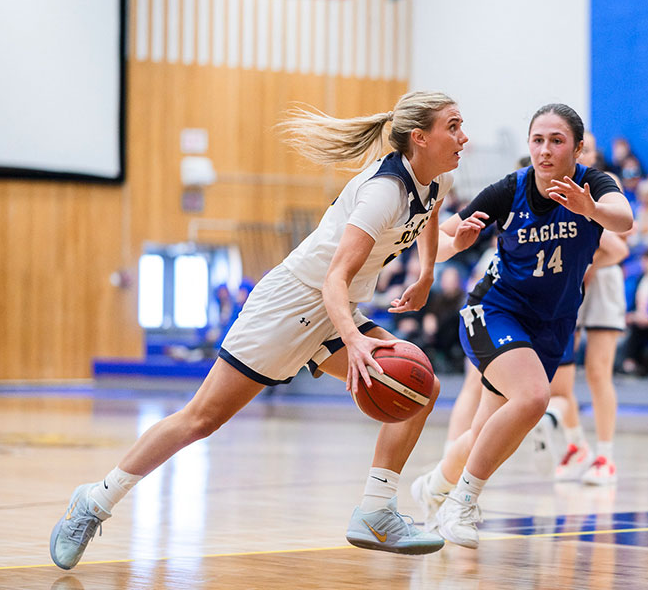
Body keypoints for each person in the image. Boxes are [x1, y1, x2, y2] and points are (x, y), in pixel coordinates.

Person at [49, 91, 472, 569]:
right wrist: (354, 341)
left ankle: (375, 510)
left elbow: (430, 215)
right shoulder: (383, 191)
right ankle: (94, 501)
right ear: (420, 137)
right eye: (453, 126)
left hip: (336, 309)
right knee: (200, 420)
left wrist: (427, 275)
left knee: (422, 387)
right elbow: (333, 278)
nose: (464, 137)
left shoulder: (433, 182)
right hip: (291, 304)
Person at [411, 103, 633, 548]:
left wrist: (591, 210)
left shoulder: (595, 185)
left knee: (485, 429)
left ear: (577, 147)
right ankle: (461, 503)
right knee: (534, 397)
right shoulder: (507, 189)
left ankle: (434, 485)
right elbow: (434, 241)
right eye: (537, 140)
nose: (545, 150)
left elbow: (624, 222)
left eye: (556, 140)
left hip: (550, 325)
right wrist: (459, 243)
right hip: (495, 310)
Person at [540, 131, 631, 485]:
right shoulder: (551, 186)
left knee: (597, 372)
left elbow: (617, 248)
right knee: (558, 382)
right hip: (570, 280)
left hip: (602, 278)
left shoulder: (607, 185)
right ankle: (577, 444)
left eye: (590, 149)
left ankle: (606, 455)